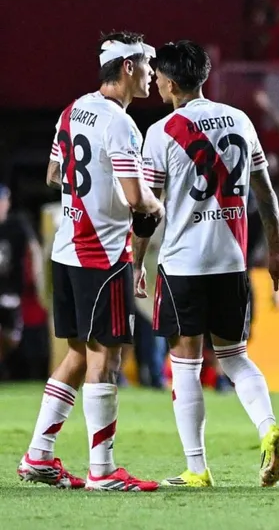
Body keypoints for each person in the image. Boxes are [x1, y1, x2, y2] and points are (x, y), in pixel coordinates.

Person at [136, 40, 279, 488]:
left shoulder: (163, 131)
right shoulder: (240, 120)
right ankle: (268, 427)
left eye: (159, 76)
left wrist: (137, 261)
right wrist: (276, 251)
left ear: (168, 81)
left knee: (184, 365)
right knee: (235, 357)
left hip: (185, 263)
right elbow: (265, 191)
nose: (158, 83)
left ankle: (197, 468)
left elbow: (148, 209)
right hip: (232, 261)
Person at [18, 31, 164, 492]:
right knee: (107, 357)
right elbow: (137, 198)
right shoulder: (120, 124)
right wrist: (157, 207)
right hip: (101, 254)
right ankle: (103, 469)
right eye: (146, 65)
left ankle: (38, 455)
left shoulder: (71, 111)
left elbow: (54, 173)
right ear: (127, 67)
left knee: (80, 354)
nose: (150, 74)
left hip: (66, 248)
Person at [0, 184, 43, 371]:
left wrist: (37, 275)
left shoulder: (17, 223)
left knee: (12, 337)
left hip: (12, 290)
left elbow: (34, 248)